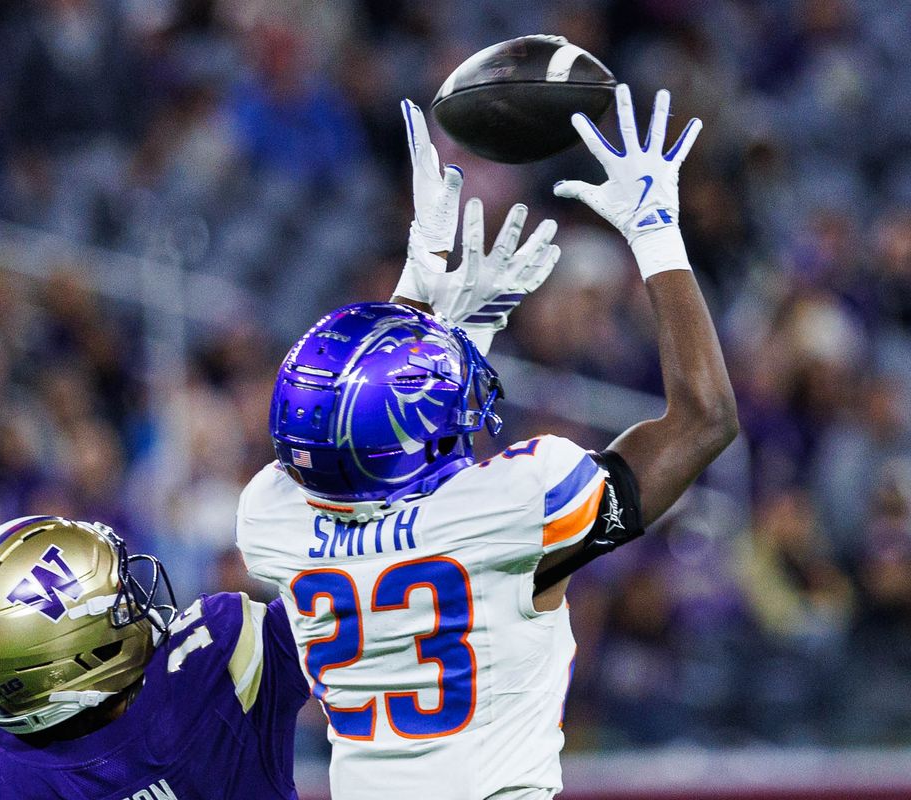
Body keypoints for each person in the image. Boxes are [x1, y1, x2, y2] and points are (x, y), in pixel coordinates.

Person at [235, 86, 738, 799]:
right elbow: (705, 417)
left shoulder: (271, 521)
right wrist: (656, 233)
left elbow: (364, 454)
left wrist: (426, 304)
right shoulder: (514, 510)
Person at [0, 515, 308, 799]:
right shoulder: (214, 659)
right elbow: (339, 611)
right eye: (117, 605)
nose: (133, 604)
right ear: (80, 657)